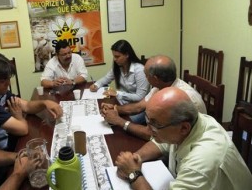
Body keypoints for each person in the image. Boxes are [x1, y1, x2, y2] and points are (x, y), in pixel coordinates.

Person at [115, 87, 252, 190]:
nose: (149, 129)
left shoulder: (202, 162)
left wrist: (134, 174)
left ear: (184, 128)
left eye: (155, 124)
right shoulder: (191, 121)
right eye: (147, 120)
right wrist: (135, 158)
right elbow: (161, 143)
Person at [101, 55, 206, 140]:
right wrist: (114, 108)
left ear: (155, 79)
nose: (145, 78)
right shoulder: (160, 86)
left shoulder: (179, 99)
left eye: (146, 75)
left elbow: (151, 134)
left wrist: (119, 121)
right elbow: (139, 107)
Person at [0, 52, 63, 151]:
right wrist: (18, 116)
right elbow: (22, 129)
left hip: (5, 140)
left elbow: (27, 106)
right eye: (3, 81)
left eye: (8, 79)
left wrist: (45, 103)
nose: (8, 84)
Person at [89, 40, 150, 110]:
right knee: (103, 110)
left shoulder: (139, 70)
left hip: (137, 107)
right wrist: (96, 85)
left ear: (127, 55)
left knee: (109, 115)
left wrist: (117, 94)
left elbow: (140, 97)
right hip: (122, 103)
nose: (114, 59)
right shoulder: (118, 66)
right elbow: (106, 78)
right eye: (114, 56)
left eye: (117, 56)